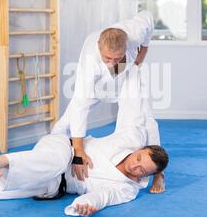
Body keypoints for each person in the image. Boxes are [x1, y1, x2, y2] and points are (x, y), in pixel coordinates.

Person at [0, 66, 169, 217]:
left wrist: (88, 204)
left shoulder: (128, 189)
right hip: (62, 148)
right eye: (138, 160)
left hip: (54, 185)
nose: (136, 168)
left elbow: (104, 195)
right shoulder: (129, 139)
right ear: (138, 150)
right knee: (50, 161)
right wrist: (131, 65)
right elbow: (138, 111)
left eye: (143, 171)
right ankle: (2, 160)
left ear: (149, 175)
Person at [51, 11, 164, 191]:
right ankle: (52, 145)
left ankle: (159, 174)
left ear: (127, 45)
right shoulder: (90, 63)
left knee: (146, 115)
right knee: (73, 111)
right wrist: (79, 152)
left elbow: (148, 18)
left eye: (116, 58)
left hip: (127, 69)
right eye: (108, 58)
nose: (111, 62)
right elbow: (80, 105)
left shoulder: (134, 32)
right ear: (98, 47)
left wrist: (140, 57)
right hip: (99, 81)